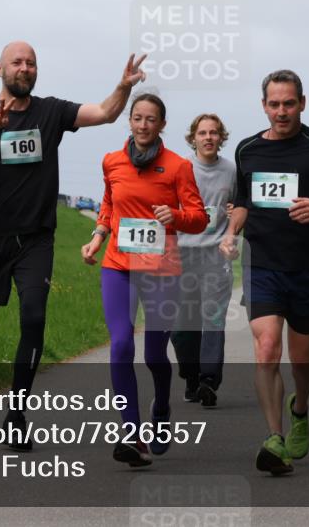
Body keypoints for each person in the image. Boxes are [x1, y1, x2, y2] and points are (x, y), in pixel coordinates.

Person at [0, 41, 147, 447]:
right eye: (17, 63)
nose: (25, 68)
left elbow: (106, 113)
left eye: (31, 63)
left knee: (33, 318)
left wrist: (124, 87)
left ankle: (17, 414)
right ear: (0, 69)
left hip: (36, 238)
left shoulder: (51, 111)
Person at [220, 69, 309, 475]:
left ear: (302, 102)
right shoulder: (247, 150)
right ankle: (274, 438)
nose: (281, 112)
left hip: (307, 267)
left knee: (302, 359)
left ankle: (299, 407)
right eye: (273, 104)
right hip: (262, 262)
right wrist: (231, 232)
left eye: (288, 103)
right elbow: (244, 201)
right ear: (263, 105)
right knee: (267, 349)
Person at [81, 93, 208, 466]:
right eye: (137, 118)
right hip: (118, 266)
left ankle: (163, 406)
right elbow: (108, 204)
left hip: (161, 270)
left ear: (162, 125)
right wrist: (97, 236)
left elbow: (199, 217)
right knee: (120, 345)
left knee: (154, 354)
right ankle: (133, 434)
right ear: (130, 121)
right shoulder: (112, 161)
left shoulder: (178, 166)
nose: (142, 125)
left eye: (150, 119)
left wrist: (176, 217)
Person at [170, 113, 236, 407]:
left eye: (214, 133)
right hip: (183, 253)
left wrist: (234, 224)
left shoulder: (232, 171)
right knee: (182, 327)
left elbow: (238, 208)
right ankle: (191, 376)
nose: (208, 137)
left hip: (215, 254)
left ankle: (209, 380)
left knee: (213, 320)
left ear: (221, 138)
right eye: (202, 133)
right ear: (193, 138)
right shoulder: (180, 168)